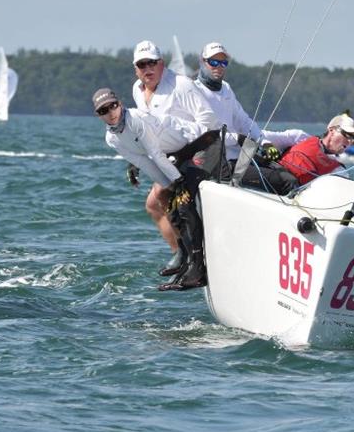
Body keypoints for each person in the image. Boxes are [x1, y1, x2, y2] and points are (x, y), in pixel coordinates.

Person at [92, 87, 213, 291]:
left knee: (184, 203)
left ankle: (198, 267)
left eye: (113, 106)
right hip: (175, 155)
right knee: (167, 199)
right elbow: (144, 162)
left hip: (198, 143)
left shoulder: (135, 119)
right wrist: (170, 186)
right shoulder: (112, 138)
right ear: (99, 116)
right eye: (104, 111)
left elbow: (156, 155)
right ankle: (186, 257)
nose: (110, 112)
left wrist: (178, 183)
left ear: (119, 104)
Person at [129, 40, 218, 277]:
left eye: (152, 63)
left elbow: (210, 123)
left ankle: (190, 255)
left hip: (198, 151)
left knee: (160, 195)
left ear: (162, 64)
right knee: (152, 206)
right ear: (136, 69)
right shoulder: (137, 90)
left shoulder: (181, 85)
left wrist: (182, 150)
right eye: (142, 64)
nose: (148, 68)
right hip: (168, 155)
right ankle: (182, 252)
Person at [193, 42, 302, 195]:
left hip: (240, 157)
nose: (219, 66)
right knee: (286, 182)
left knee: (286, 172)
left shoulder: (225, 89)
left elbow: (244, 120)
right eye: (213, 62)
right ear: (202, 62)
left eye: (223, 63)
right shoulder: (194, 91)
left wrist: (264, 142)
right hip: (219, 164)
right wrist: (238, 138)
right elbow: (204, 133)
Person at [279, 113, 354, 185]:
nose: (350, 141)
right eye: (347, 135)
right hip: (272, 175)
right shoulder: (299, 137)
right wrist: (267, 146)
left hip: (286, 197)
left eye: (353, 138)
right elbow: (266, 136)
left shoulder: (339, 171)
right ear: (332, 130)